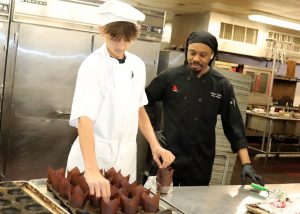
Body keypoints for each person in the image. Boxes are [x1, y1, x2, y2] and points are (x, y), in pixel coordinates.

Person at [66, 0, 175, 203]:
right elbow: (84, 118)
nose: (121, 45)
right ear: (102, 30)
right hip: (94, 155)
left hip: (126, 156)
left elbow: (138, 107)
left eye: (128, 39)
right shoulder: (92, 65)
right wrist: (91, 169)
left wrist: (154, 145)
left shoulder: (137, 65)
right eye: (115, 38)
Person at [145, 31, 263, 186]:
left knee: (193, 205)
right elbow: (144, 101)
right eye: (192, 53)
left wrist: (246, 163)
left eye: (203, 55)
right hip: (167, 154)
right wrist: (154, 133)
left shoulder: (221, 85)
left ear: (212, 55)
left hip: (200, 160)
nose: (196, 59)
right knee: (159, 203)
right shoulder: (170, 77)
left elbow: (234, 125)